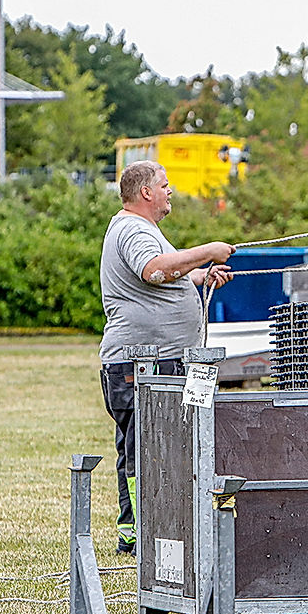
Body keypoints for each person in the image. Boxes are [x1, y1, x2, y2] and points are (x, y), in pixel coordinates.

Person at [99, 160, 235, 555]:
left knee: (166, 446)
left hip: (163, 359)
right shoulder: (131, 229)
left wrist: (200, 276)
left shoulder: (145, 230)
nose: (170, 190)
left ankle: (160, 527)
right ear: (145, 192)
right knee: (142, 448)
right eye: (164, 184)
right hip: (137, 364)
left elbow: (168, 273)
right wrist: (206, 250)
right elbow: (153, 271)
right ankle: (136, 534)